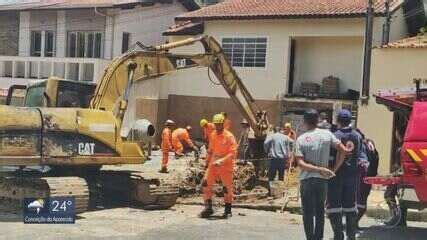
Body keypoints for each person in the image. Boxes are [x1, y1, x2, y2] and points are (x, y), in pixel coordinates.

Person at [294, 109, 349, 240]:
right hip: (322, 180)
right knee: (319, 211)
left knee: (307, 213)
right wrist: (334, 169)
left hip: (306, 180)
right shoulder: (327, 134)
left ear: (305, 121)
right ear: (318, 119)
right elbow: (344, 151)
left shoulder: (301, 139)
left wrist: (317, 169)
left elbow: (300, 163)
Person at [327, 109, 362, 240]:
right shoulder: (357, 136)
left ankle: (338, 235)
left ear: (337, 121)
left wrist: (330, 171)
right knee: (350, 207)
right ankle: (351, 235)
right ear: (350, 121)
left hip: (336, 175)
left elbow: (331, 157)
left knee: (334, 206)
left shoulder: (335, 135)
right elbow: (358, 155)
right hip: (352, 175)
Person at [199, 113, 237, 219]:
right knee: (206, 183)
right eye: (215, 124)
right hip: (213, 163)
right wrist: (207, 163)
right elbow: (211, 150)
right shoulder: (213, 134)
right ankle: (208, 207)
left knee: (226, 187)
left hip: (226, 164)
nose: (217, 126)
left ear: (223, 124)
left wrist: (222, 160)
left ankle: (228, 209)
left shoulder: (229, 136)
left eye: (219, 124)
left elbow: (233, 153)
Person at [355, 130, 379, 228]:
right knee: (363, 197)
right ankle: (355, 221)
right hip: (369, 173)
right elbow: (375, 157)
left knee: (358, 198)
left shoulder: (359, 144)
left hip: (361, 172)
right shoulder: (370, 142)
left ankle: (353, 222)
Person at [264, 126, 293, 192]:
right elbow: (292, 142)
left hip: (274, 159)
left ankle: (271, 190)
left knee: (271, 176)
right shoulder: (285, 137)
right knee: (281, 175)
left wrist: (267, 150)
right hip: (282, 159)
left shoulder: (272, 136)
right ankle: (280, 191)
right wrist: (290, 151)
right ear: (280, 130)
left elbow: (265, 143)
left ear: (274, 131)